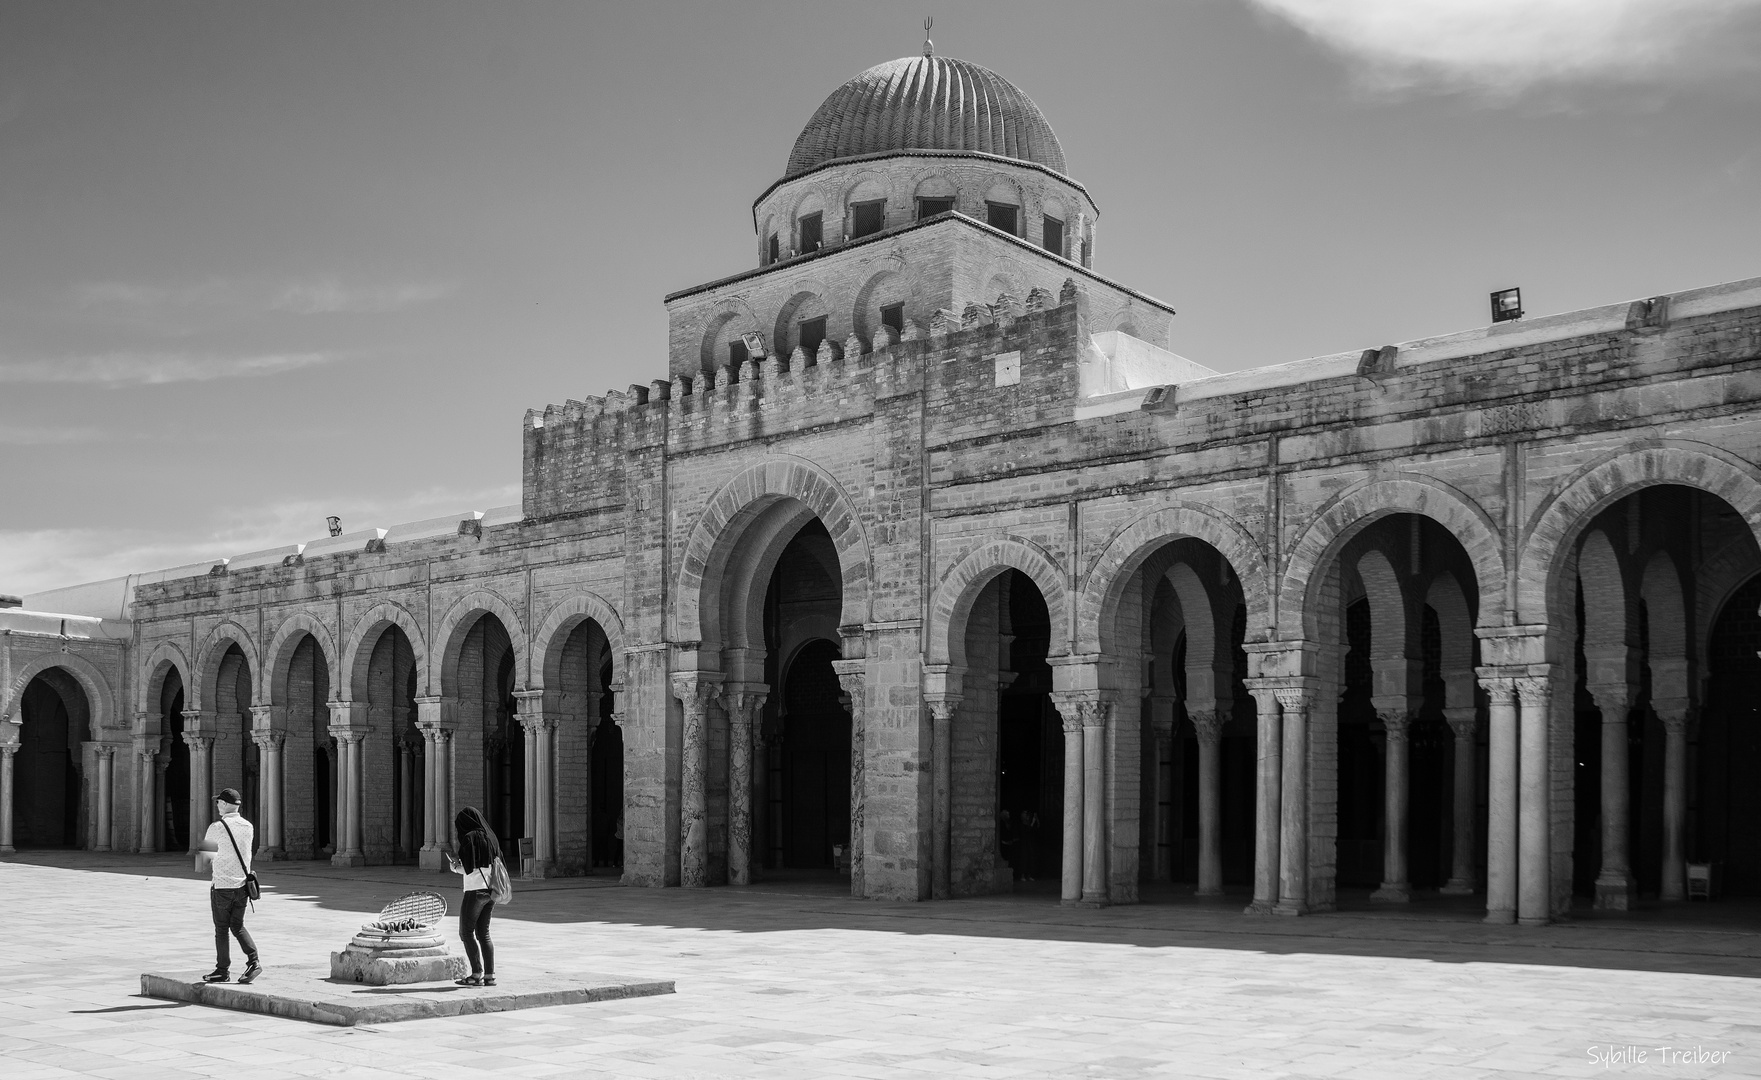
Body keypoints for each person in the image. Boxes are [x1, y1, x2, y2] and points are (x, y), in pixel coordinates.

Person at [194, 788, 260, 985]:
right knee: (237, 925)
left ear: (223, 804)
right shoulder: (248, 826)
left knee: (221, 928)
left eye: (218, 803)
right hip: (242, 887)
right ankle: (254, 961)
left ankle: (222, 970)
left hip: (222, 886)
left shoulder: (217, 827)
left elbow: (202, 863)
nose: (216, 806)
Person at [445, 806, 499, 987]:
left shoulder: (470, 838)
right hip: (491, 891)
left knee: (466, 932)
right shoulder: (490, 837)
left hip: (475, 891)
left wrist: (454, 867)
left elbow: (468, 869)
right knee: (484, 933)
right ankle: (490, 976)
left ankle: (476, 974)